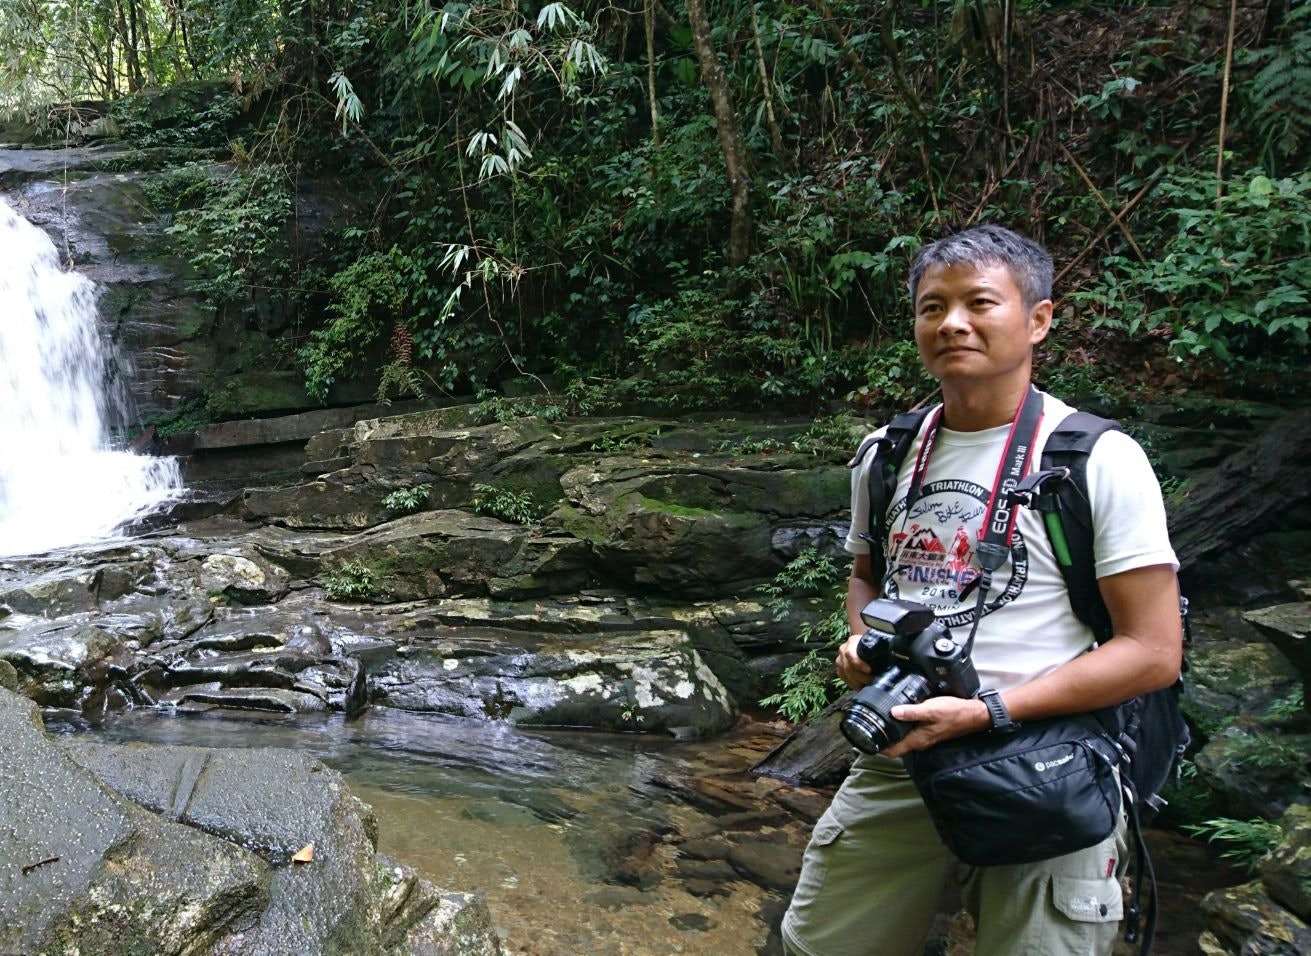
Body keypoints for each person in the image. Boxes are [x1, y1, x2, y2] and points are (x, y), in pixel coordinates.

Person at [781, 224, 1183, 956]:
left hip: (1046, 759)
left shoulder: (1095, 459)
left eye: (978, 302)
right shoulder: (887, 452)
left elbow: (1152, 652)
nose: (952, 323)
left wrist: (985, 709)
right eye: (932, 307)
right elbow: (868, 578)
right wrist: (861, 638)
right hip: (903, 753)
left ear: (1037, 319)